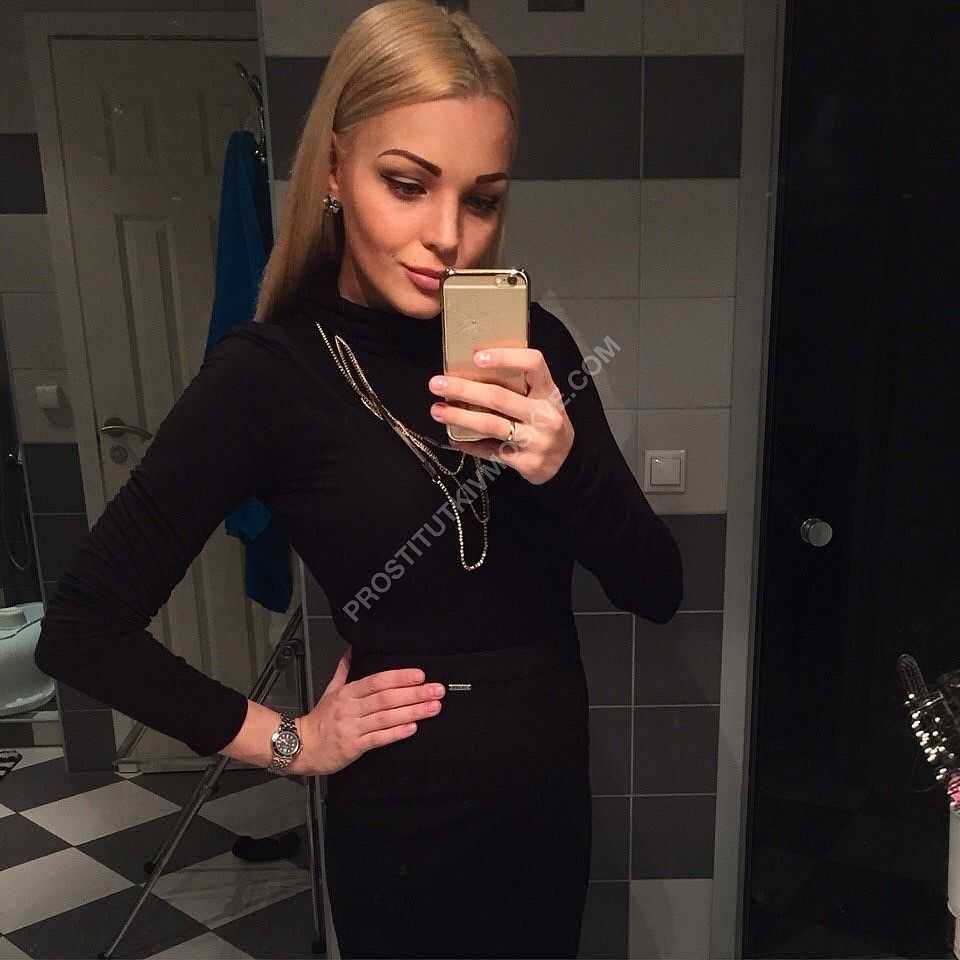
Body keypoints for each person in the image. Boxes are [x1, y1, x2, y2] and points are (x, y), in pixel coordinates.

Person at [34, 1, 683, 957]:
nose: (448, 236)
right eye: (407, 184)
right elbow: (81, 628)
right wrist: (287, 741)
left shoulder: (529, 346)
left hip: (548, 810)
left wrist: (567, 466)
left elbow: (658, 589)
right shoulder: (269, 375)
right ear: (335, 169)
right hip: (403, 831)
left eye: (481, 198)